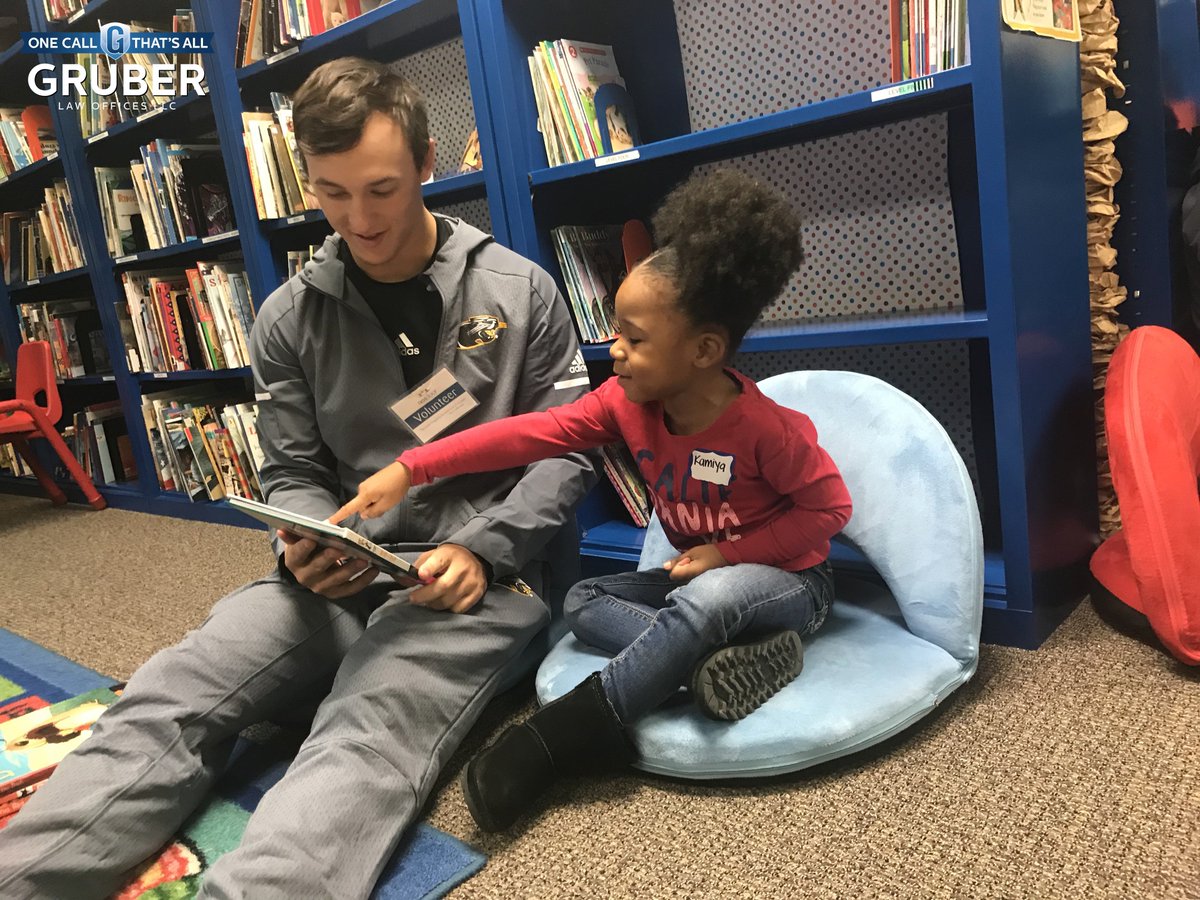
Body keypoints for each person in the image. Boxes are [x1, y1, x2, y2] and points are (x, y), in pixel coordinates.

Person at [0, 58, 594, 899]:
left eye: (382, 189)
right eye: (332, 192)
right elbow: (290, 468)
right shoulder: (286, 317)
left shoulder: (521, 291)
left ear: (427, 163)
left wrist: (489, 552)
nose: (361, 219)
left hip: (478, 577)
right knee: (176, 685)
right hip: (344, 570)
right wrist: (303, 539)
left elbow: (567, 452)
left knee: (364, 728)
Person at [333, 169, 854, 833]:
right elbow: (526, 434)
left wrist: (730, 551)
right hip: (703, 590)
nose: (616, 351)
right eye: (617, 331)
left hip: (793, 586)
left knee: (709, 598)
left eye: (635, 339)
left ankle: (565, 736)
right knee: (580, 602)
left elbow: (830, 512)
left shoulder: (767, 431)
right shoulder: (623, 404)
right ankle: (699, 665)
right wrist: (412, 466)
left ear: (704, 350)